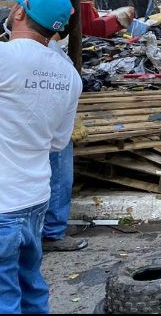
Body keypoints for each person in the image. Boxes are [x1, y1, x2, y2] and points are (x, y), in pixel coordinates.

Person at [0, 0, 81, 314]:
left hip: (3, 203)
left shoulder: (4, 58)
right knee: (30, 286)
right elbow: (58, 143)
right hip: (35, 200)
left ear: (20, 12)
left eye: (14, 4)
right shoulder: (69, 75)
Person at [42, 28, 87, 252]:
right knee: (59, 177)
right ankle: (53, 233)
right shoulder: (50, 53)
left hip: (43, 126)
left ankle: (46, 229)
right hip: (53, 128)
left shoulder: (19, 50)